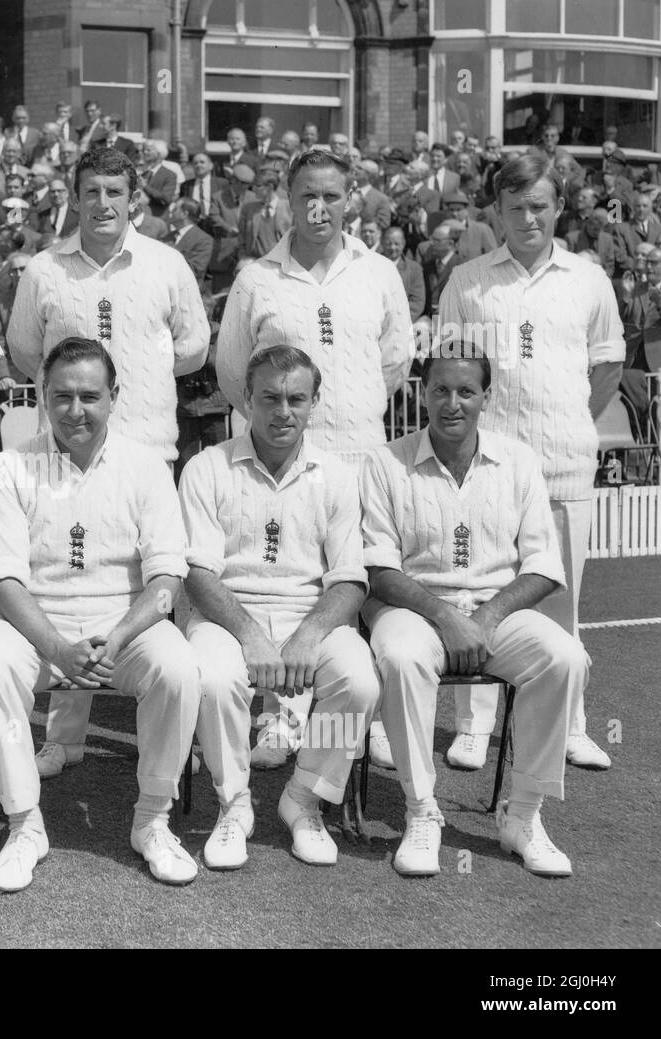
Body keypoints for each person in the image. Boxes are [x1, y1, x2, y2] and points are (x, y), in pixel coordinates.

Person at [0, 337, 200, 891]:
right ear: (42, 397)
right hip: (35, 626)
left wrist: (118, 638)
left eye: (90, 396)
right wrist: (57, 648)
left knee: (179, 669)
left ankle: (153, 821)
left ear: (114, 397)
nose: (76, 411)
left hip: (125, 625)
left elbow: (166, 578)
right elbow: (3, 579)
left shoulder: (146, 467)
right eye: (62, 397)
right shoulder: (11, 466)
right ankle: (25, 825)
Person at [6, 145, 208, 778]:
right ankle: (62, 737)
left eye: (114, 192)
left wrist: (141, 376)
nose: (103, 204)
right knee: (70, 573)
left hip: (147, 454)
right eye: (90, 191)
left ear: (134, 199)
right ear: (74, 196)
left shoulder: (166, 264)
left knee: (157, 581)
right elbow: (23, 351)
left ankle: (175, 733)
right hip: (65, 452)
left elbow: (196, 348)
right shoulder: (44, 269)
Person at [216, 148, 413, 770]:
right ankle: (278, 715)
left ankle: (361, 723)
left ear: (349, 198)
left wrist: (346, 417)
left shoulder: (378, 273)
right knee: (292, 588)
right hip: (283, 465)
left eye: (331, 195)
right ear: (287, 201)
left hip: (359, 459)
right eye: (307, 196)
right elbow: (231, 373)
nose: (319, 208)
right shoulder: (256, 279)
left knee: (358, 592)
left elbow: (395, 363)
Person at [362, 351, 587, 877]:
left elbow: (544, 566)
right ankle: (422, 813)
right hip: (412, 609)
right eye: (440, 390)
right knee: (397, 654)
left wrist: (485, 619)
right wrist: (446, 616)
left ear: (486, 397)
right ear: (422, 393)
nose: (452, 403)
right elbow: (379, 570)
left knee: (565, 657)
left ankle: (523, 815)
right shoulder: (384, 462)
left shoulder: (518, 459)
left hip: (496, 610)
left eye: (466, 392)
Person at [438, 152, 622, 772]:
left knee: (561, 604)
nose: (527, 218)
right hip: (483, 473)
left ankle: (569, 724)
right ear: (497, 211)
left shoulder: (588, 280)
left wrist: (569, 422)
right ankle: (473, 725)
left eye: (539, 206)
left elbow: (609, 365)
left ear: (559, 208)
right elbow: (451, 375)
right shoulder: (466, 281)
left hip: (565, 468)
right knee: (478, 594)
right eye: (514, 208)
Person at [181, 346, 377, 869]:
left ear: (315, 403)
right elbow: (199, 575)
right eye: (269, 398)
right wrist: (250, 635)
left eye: (296, 399)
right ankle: (233, 803)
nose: (282, 411)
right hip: (227, 615)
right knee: (214, 679)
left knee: (358, 682)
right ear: (247, 399)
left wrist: (309, 636)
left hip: (309, 615)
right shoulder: (206, 468)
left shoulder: (336, 476)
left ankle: (305, 798)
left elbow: (349, 580)